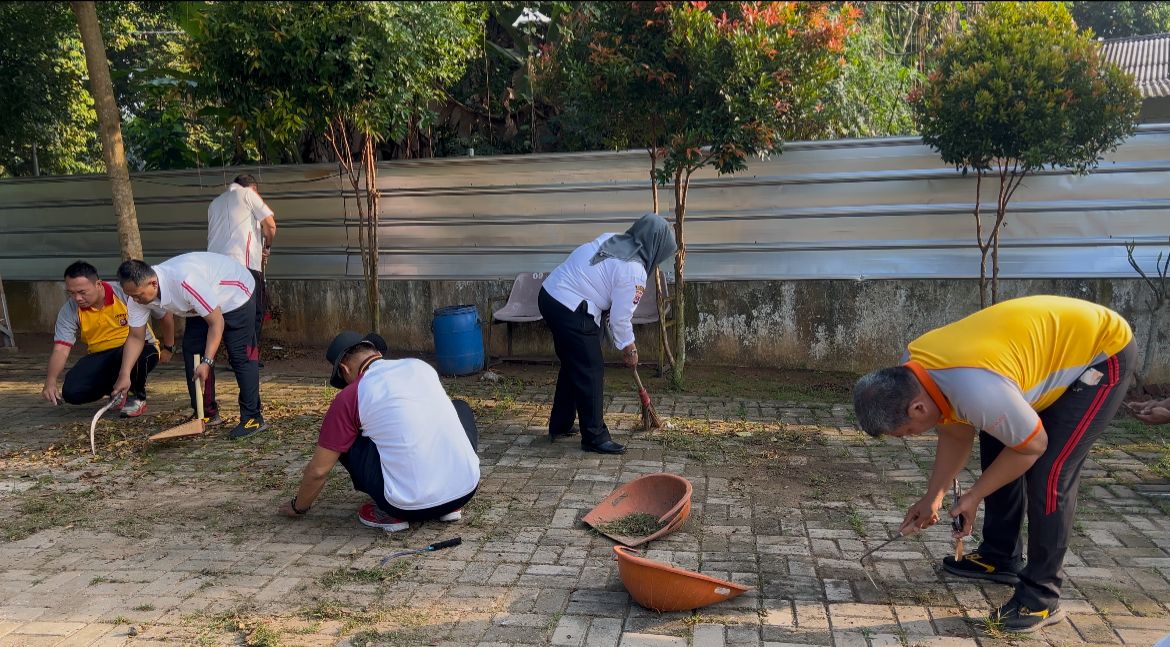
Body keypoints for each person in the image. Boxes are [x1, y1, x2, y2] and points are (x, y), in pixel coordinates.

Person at [852, 295, 1134, 633]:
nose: (911, 437)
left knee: (1049, 472)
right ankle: (1001, 555)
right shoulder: (913, 371)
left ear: (917, 409)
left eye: (907, 433)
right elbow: (955, 433)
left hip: (1101, 351)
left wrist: (974, 496)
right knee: (999, 436)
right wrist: (933, 497)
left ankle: (1041, 597)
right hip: (1029, 355)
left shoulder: (976, 390)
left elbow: (1032, 447)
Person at [278, 331, 480, 532]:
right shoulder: (420, 366)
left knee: (341, 438)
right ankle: (449, 500)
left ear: (345, 369)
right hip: (464, 491)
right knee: (458, 407)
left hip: (404, 507)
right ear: (377, 353)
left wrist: (298, 507)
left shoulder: (351, 395)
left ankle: (390, 513)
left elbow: (319, 471)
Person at [538, 213, 677, 455]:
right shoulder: (634, 271)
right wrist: (630, 349)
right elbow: (620, 319)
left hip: (550, 296)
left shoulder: (612, 238)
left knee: (574, 364)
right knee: (591, 369)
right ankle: (594, 437)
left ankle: (560, 424)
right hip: (570, 307)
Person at [114, 252, 266, 439]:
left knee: (240, 356)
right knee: (192, 352)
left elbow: (216, 323)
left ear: (153, 284)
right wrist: (124, 375)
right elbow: (136, 337)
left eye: (138, 296)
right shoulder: (138, 295)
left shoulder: (185, 281)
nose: (135, 300)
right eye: (131, 296)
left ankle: (253, 417)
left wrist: (207, 361)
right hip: (200, 303)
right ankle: (206, 413)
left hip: (234, 293)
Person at [41, 261, 174, 416]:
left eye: (82, 292)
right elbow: (61, 349)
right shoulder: (69, 310)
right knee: (72, 392)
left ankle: (137, 397)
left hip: (138, 347)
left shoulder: (125, 292)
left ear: (98, 284)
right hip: (100, 354)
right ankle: (117, 391)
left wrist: (169, 347)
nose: (77, 298)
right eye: (71, 293)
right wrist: (50, 380)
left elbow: (164, 315)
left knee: (135, 356)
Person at [207, 174, 276, 351]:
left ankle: (226, 353)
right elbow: (270, 226)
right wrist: (267, 247)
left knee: (225, 312)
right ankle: (248, 357)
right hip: (243, 266)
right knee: (254, 312)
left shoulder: (214, 204)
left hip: (214, 269)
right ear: (253, 188)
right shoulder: (248, 194)